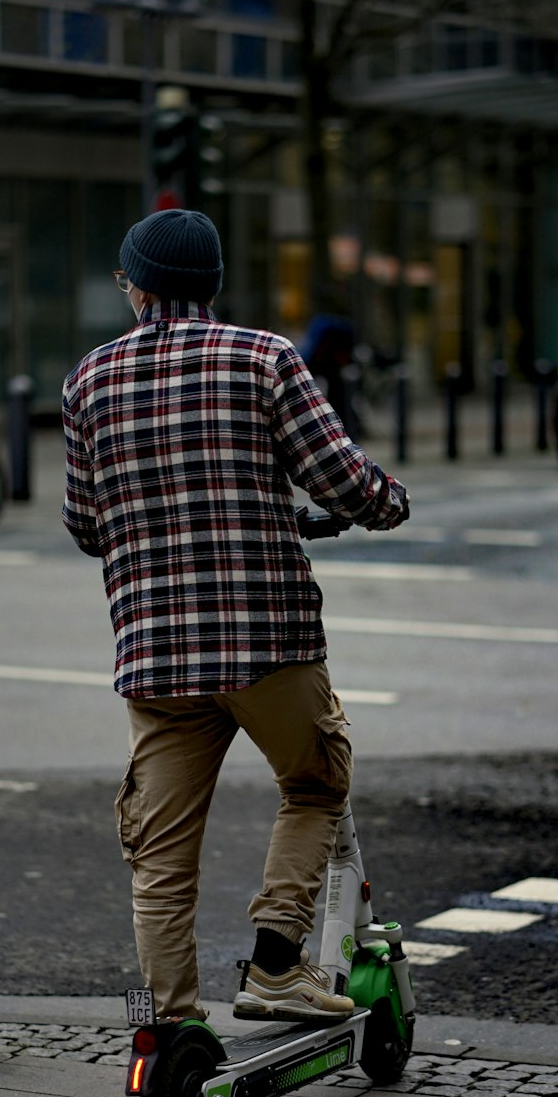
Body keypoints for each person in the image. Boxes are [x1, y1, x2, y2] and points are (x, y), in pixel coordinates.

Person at [62, 209, 408, 1025]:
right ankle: (279, 963)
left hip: (156, 657)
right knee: (317, 781)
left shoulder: (88, 380)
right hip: (268, 645)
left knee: (161, 855)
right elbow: (343, 479)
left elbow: (85, 526)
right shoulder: (262, 358)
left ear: (137, 286)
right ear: (211, 286)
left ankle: (167, 1025)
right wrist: (386, 504)